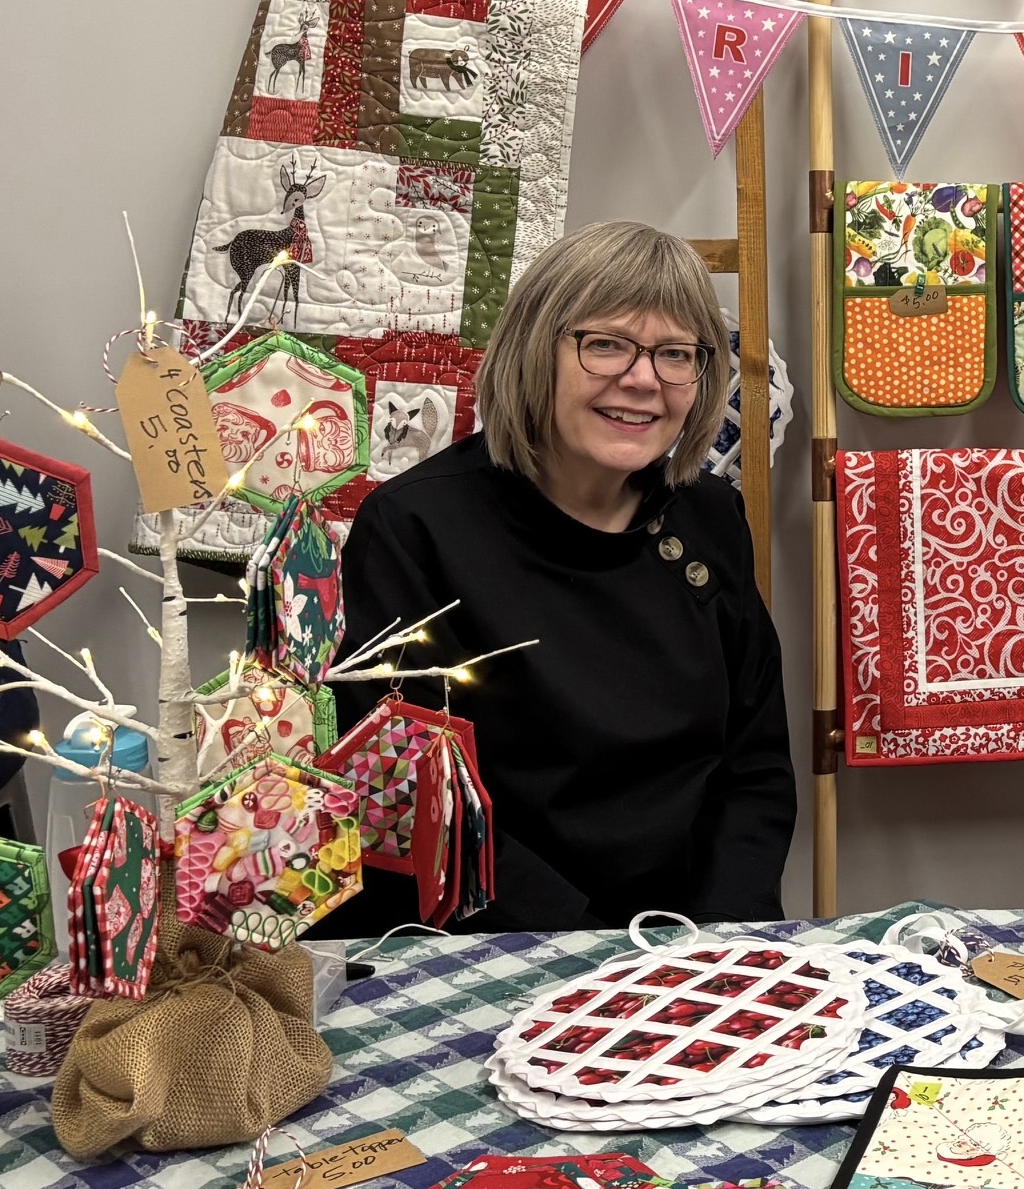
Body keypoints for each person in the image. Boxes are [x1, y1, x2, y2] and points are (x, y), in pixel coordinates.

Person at [319, 221, 795, 932]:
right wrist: (592, 951)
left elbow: (753, 766)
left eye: (675, 354)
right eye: (605, 344)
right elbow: (416, 800)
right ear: (533, 350)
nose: (642, 379)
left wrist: (720, 934)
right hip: (497, 936)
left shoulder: (712, 517)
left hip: (691, 935)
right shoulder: (414, 528)